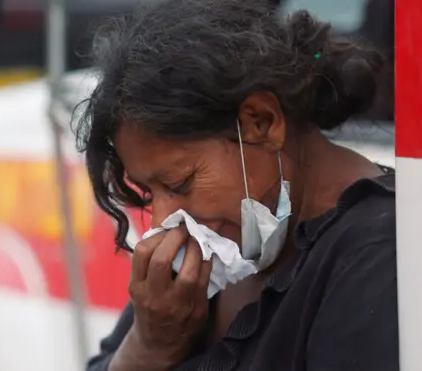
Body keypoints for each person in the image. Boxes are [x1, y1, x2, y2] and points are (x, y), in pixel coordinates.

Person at [74, 0, 398, 370]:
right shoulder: (206, 261)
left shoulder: (379, 253)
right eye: (151, 193)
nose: (163, 217)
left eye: (179, 183)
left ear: (261, 122)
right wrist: (148, 346)